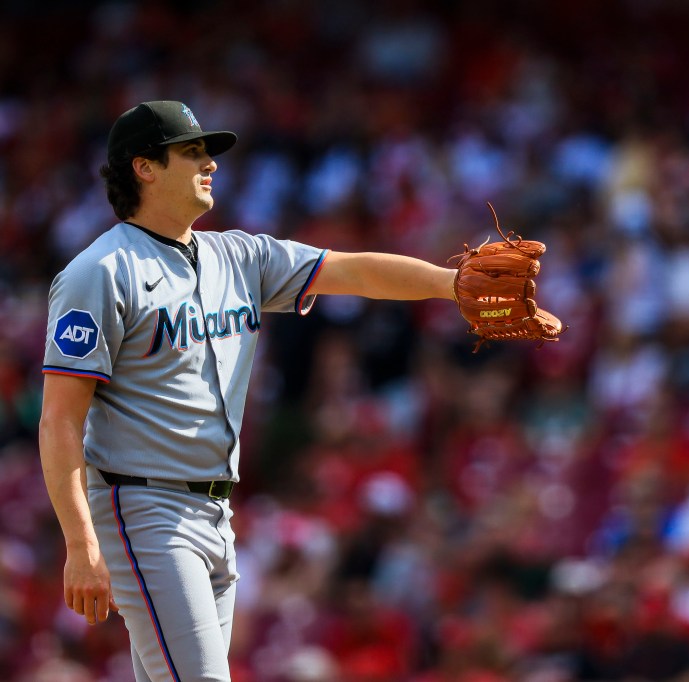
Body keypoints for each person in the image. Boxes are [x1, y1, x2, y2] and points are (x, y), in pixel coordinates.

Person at [38, 101, 459, 682]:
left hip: (215, 510)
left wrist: (454, 285)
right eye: (191, 151)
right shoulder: (101, 272)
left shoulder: (238, 256)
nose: (210, 162)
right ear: (144, 168)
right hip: (143, 507)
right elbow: (59, 419)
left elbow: (354, 272)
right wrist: (80, 543)